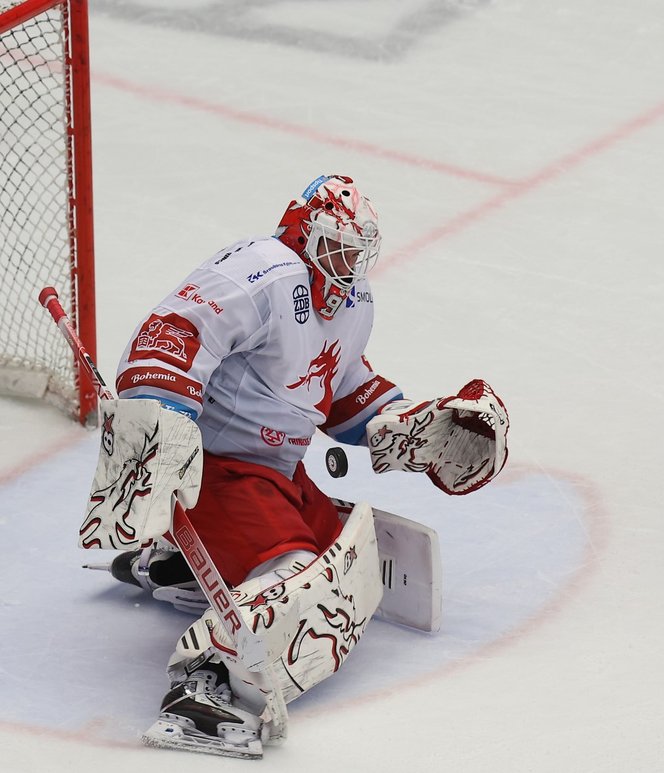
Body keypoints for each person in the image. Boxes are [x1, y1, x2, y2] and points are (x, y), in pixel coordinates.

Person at [79, 174, 509, 757]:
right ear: (305, 229)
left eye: (360, 252)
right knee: (297, 580)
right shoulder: (265, 270)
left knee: (336, 556)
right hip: (220, 470)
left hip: (279, 469)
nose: (350, 263)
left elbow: (342, 388)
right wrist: (157, 415)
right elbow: (177, 329)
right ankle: (205, 683)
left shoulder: (354, 302)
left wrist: (411, 428)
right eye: (339, 246)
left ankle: (181, 562)